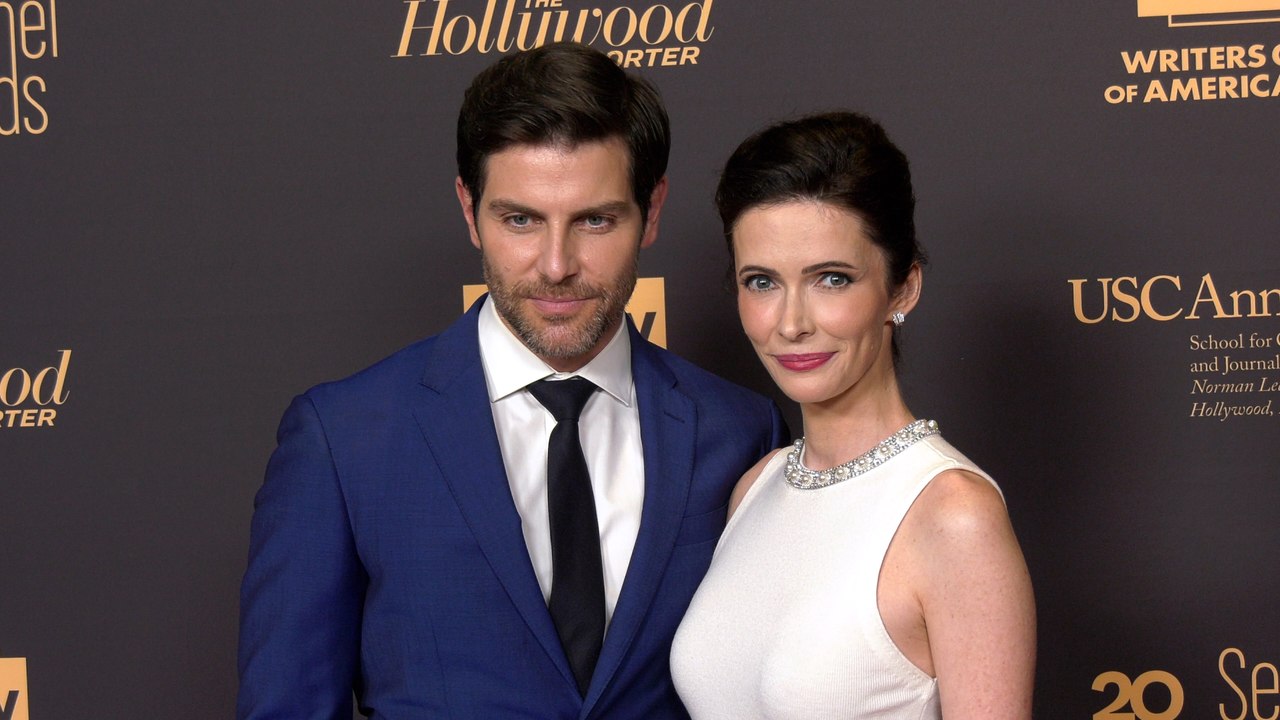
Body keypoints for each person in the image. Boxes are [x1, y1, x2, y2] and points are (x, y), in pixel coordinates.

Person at [236, 43, 787, 719]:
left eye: (595, 220)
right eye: (520, 219)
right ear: (470, 211)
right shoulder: (344, 438)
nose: (556, 265)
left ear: (654, 211)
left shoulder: (741, 432)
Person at [670, 112, 1035, 719]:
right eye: (761, 282)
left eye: (831, 279)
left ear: (903, 287)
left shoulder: (953, 516)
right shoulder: (754, 487)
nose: (791, 322)